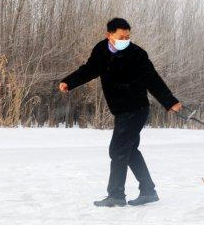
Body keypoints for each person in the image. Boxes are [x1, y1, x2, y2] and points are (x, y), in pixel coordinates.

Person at [59, 17, 182, 207]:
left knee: (117, 150)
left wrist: (170, 101)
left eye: (128, 36)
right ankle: (148, 191)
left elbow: (153, 79)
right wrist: (70, 81)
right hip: (120, 110)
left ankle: (116, 195)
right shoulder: (101, 50)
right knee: (129, 150)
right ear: (109, 35)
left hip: (136, 108)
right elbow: (89, 70)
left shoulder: (137, 54)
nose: (125, 39)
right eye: (121, 36)